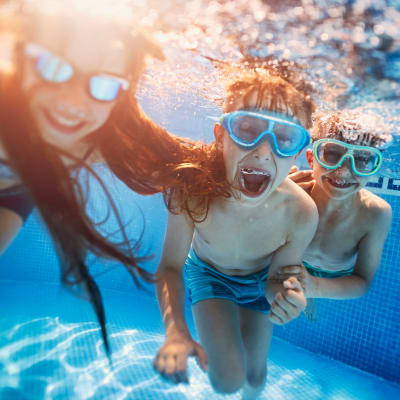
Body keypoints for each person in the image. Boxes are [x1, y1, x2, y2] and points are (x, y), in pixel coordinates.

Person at [0, 10, 163, 355]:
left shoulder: (99, 137)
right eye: (53, 66)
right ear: (21, 56)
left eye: (103, 84)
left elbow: (177, 158)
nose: (73, 101)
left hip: (15, 192)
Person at [152, 69, 318, 399]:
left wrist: (287, 298)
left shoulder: (300, 212)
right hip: (209, 276)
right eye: (247, 128)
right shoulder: (192, 190)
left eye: (284, 138)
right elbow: (170, 265)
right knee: (226, 381)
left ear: (297, 152)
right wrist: (175, 331)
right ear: (221, 135)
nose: (262, 150)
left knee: (255, 379)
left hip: (260, 283)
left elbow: (277, 280)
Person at [283, 110, 392, 313]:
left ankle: (310, 294)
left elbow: (362, 281)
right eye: (332, 154)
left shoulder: (376, 213)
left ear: (373, 168)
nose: (343, 171)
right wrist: (274, 197)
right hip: (294, 264)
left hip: (336, 275)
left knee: (307, 289)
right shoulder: (293, 194)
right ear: (311, 159)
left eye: (361, 159)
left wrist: (314, 287)